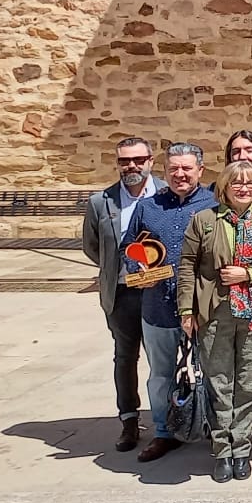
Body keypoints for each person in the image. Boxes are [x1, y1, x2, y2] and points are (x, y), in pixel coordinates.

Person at [177, 159, 252, 482]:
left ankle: (242, 448)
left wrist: (249, 273)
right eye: (237, 183)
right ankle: (221, 450)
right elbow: (188, 265)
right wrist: (187, 310)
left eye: (250, 183)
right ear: (224, 187)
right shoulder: (205, 220)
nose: (244, 188)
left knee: (250, 383)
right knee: (219, 382)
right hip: (216, 312)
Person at [120, 142, 216, 463]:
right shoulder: (147, 207)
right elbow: (128, 247)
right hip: (158, 307)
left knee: (211, 370)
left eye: (187, 168)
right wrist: (138, 267)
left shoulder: (214, 205)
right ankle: (164, 431)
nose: (180, 174)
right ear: (164, 171)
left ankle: (214, 427)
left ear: (200, 171)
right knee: (160, 374)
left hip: (204, 307)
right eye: (173, 168)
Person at [82, 136, 159, 454]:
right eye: (125, 161)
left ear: (151, 161)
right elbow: (92, 246)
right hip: (123, 293)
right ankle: (129, 420)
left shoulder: (167, 194)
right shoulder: (102, 201)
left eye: (138, 160)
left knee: (163, 359)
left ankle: (168, 422)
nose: (132, 166)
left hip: (159, 291)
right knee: (125, 357)